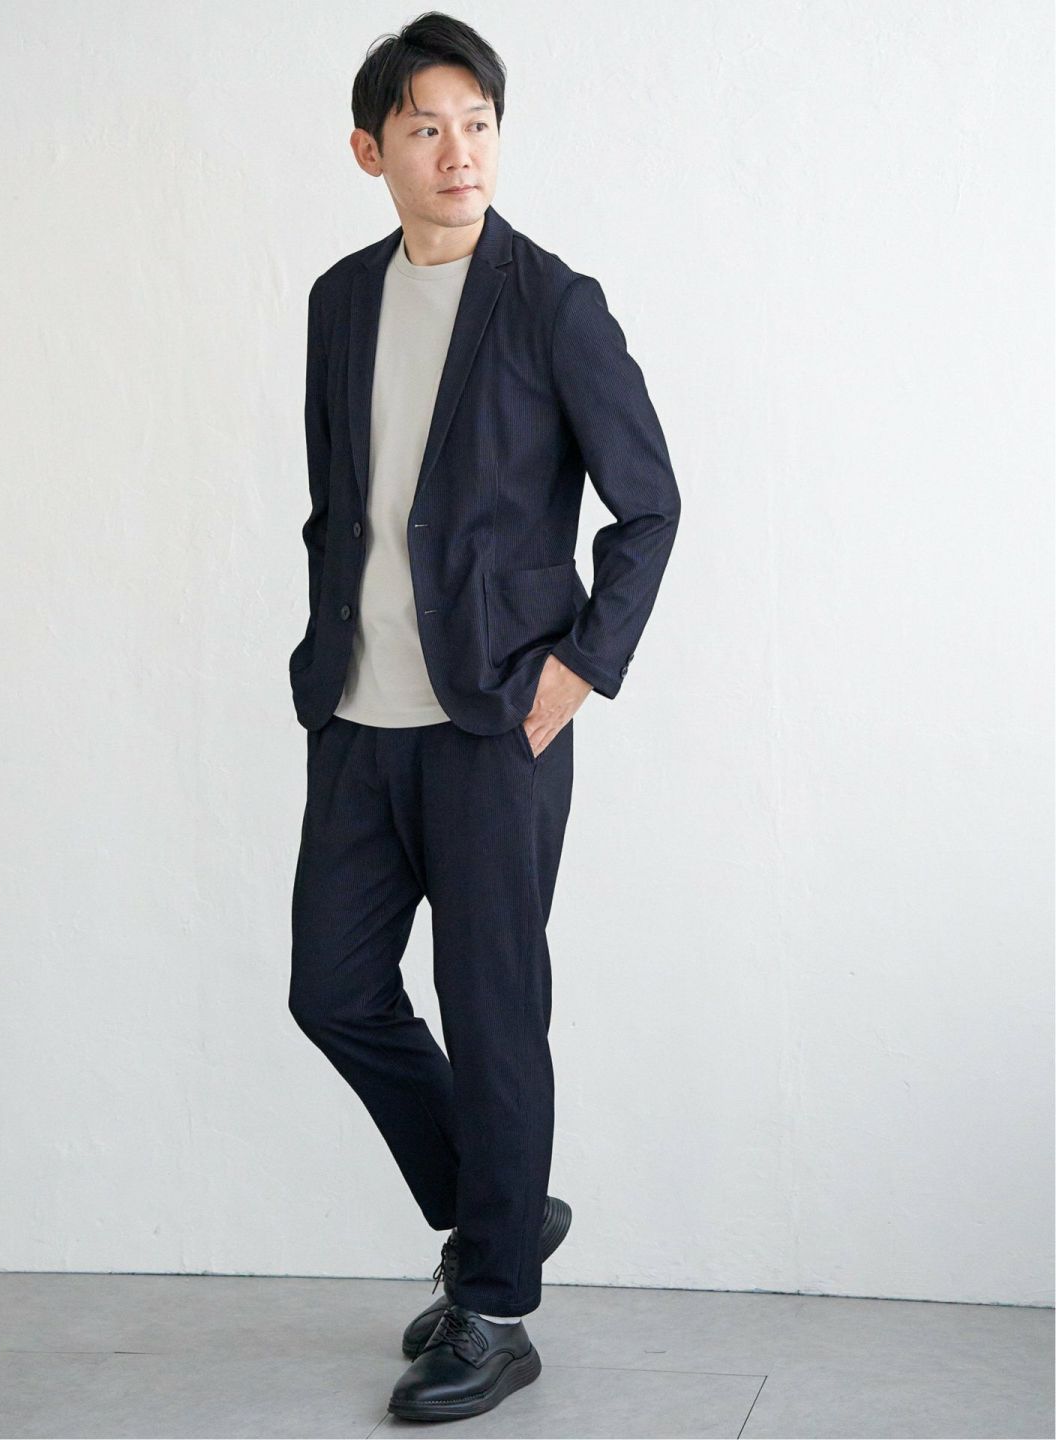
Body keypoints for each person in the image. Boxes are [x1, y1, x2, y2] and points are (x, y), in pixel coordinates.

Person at [287, 10, 681, 1422]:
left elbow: (650, 506)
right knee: (331, 989)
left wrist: (574, 676)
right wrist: (324, 658)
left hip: (494, 725)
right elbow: (345, 506)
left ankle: (498, 1307)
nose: (459, 152)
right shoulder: (341, 301)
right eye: (427, 128)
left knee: (494, 1006)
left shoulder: (553, 303)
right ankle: (502, 1207)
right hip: (357, 716)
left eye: (478, 123)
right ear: (371, 151)